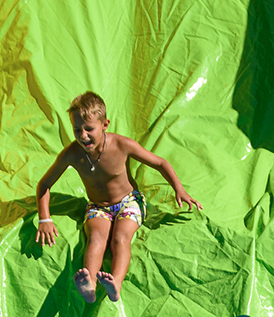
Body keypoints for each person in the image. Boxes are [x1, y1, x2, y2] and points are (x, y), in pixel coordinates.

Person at [34, 91, 201, 304]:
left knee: (120, 238)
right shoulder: (72, 153)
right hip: (97, 207)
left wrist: (179, 189)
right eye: (77, 130)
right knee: (96, 238)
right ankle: (90, 286)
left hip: (129, 201)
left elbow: (160, 163)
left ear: (105, 124)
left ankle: (116, 284)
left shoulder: (122, 145)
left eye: (89, 129)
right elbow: (44, 185)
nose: (83, 135)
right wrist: (44, 218)